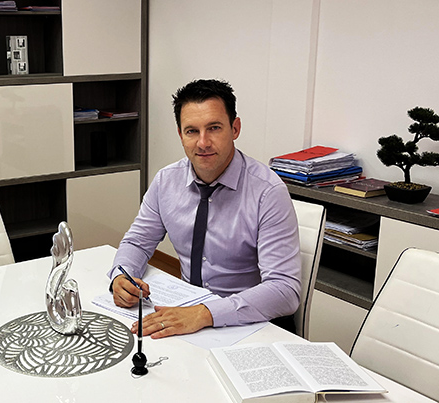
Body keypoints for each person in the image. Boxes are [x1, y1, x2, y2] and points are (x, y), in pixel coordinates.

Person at [108, 79, 301, 339]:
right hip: (187, 312)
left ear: (235, 128)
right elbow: (137, 242)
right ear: (180, 135)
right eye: (192, 131)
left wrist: (204, 314)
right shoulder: (166, 181)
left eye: (214, 128)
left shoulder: (268, 192)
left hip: (250, 324)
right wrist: (122, 276)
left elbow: (285, 290)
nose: (203, 142)